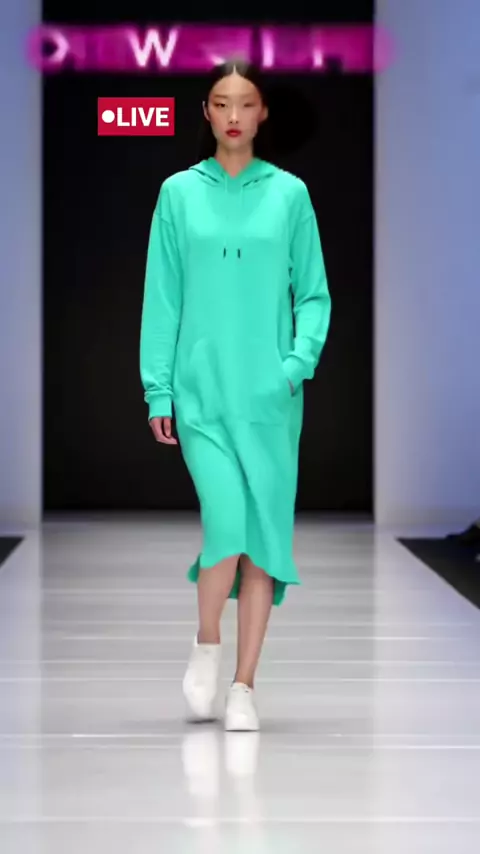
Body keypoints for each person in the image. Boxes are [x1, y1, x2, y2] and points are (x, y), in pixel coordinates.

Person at [139, 59, 331, 731]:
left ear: (262, 113)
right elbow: (161, 299)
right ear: (206, 111)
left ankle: (244, 686)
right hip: (201, 394)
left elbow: (313, 293)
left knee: (264, 539)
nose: (233, 115)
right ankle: (207, 644)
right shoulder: (177, 194)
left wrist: (295, 366)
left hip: (270, 398)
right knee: (226, 521)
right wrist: (158, 391)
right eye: (221, 103)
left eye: (245, 103)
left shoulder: (290, 195)